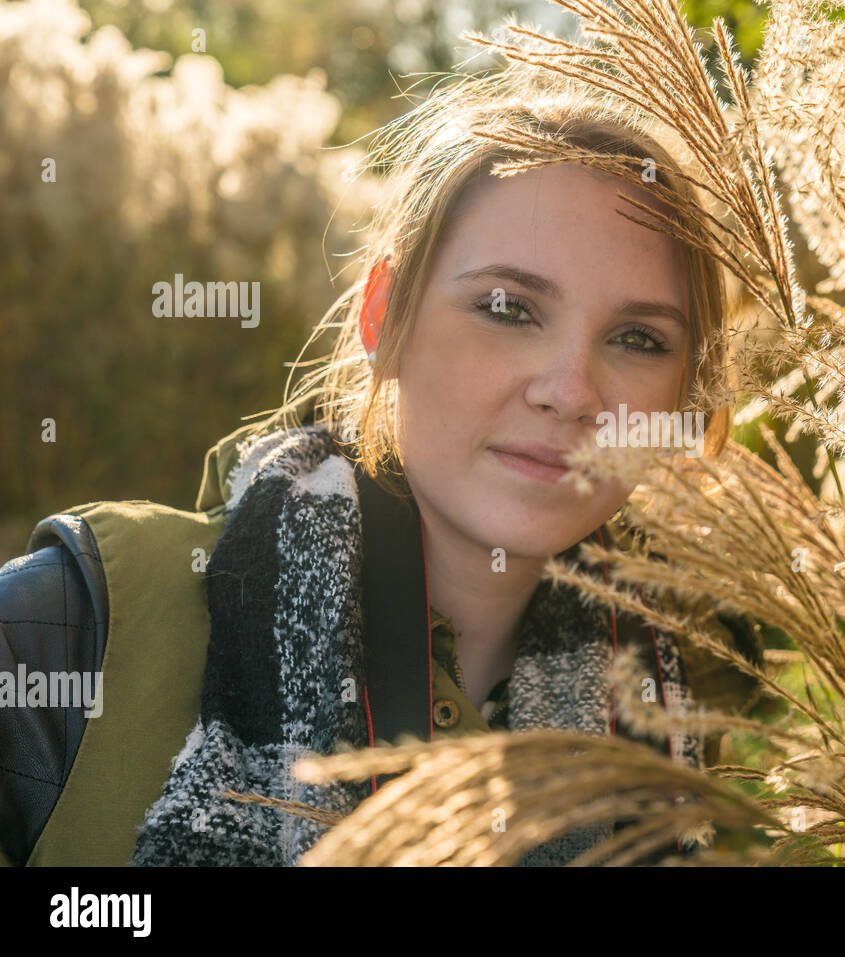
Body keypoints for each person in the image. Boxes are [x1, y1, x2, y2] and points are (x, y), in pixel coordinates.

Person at [0, 65, 763, 866]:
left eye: (638, 338)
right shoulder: (74, 627)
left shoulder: (708, 712)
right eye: (509, 308)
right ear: (384, 317)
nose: (572, 392)